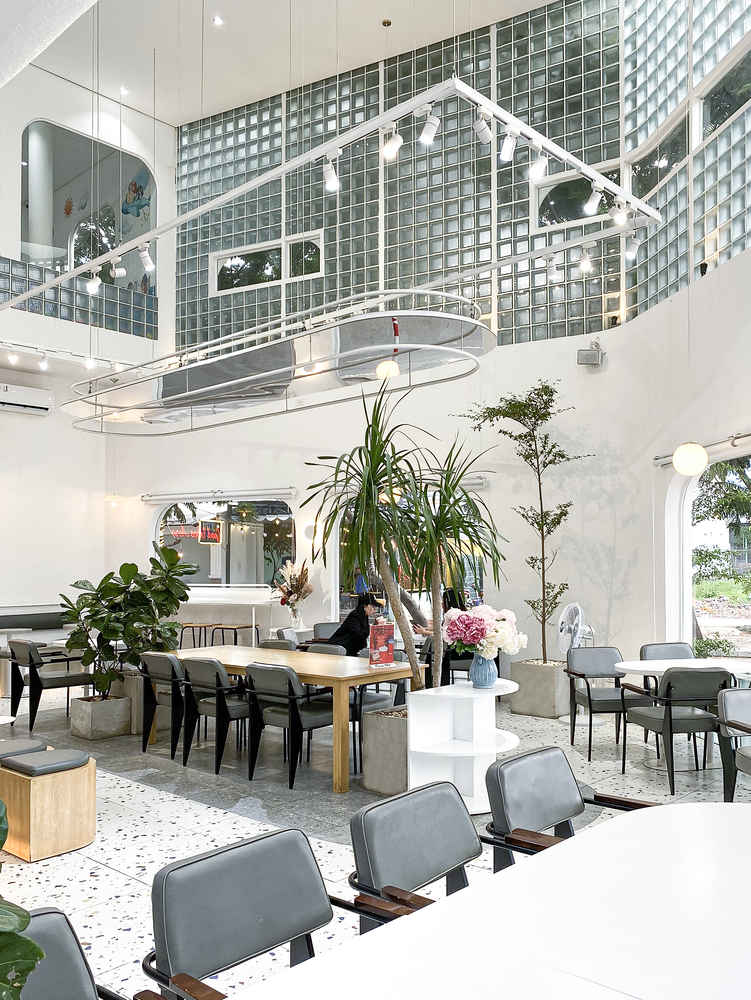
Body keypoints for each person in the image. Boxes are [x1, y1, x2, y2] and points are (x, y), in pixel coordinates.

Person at [328, 592, 385, 656]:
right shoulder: (355, 616)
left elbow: (365, 632)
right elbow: (360, 634)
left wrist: (375, 625)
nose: (375, 610)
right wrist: (373, 627)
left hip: (351, 649)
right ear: (364, 607)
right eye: (372, 606)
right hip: (341, 648)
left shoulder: (364, 616)